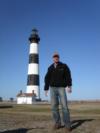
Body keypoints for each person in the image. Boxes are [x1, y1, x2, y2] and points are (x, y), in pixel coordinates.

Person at [44, 52, 72, 132]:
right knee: (54, 107)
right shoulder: (50, 68)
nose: (56, 58)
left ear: (58, 58)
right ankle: (57, 123)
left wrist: (69, 86)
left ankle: (67, 125)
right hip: (52, 88)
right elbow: (47, 78)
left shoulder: (64, 66)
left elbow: (68, 76)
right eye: (54, 57)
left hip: (61, 88)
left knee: (64, 107)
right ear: (52, 58)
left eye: (57, 57)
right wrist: (46, 89)